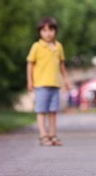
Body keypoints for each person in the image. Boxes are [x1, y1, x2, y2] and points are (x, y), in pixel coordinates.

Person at [27, 17, 70, 146]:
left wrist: (66, 80)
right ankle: (43, 135)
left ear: (55, 31)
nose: (48, 33)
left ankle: (52, 135)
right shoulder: (36, 46)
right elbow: (30, 64)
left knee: (53, 111)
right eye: (44, 30)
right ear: (40, 32)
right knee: (41, 111)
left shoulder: (58, 47)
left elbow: (61, 65)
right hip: (41, 84)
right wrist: (29, 80)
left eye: (51, 30)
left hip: (55, 84)